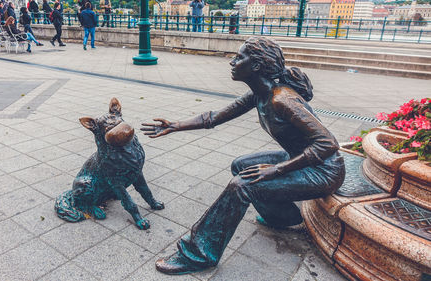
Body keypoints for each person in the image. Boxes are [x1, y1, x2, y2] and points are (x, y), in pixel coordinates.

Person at [141, 37, 346, 275]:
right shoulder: (259, 94)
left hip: (323, 171)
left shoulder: (282, 99)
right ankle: (283, 217)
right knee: (241, 165)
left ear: (256, 66)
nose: (233, 61)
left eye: (239, 57)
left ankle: (199, 253)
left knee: (241, 186)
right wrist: (176, 125)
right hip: (301, 158)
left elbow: (328, 143)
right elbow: (214, 117)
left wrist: (275, 170)